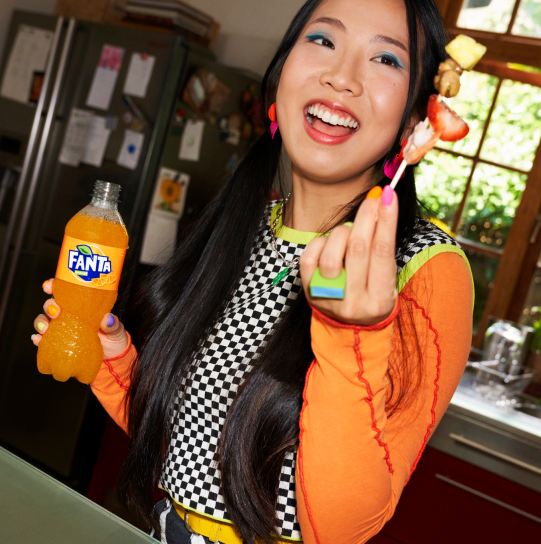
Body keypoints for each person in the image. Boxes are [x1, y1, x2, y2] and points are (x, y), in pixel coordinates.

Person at [32, 0, 473, 542]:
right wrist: (110, 357)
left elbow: (336, 529)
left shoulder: (426, 268)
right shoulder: (246, 229)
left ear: (415, 119)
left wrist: (351, 335)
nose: (342, 77)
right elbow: (199, 455)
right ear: (282, 73)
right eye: (323, 41)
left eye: (386, 59)